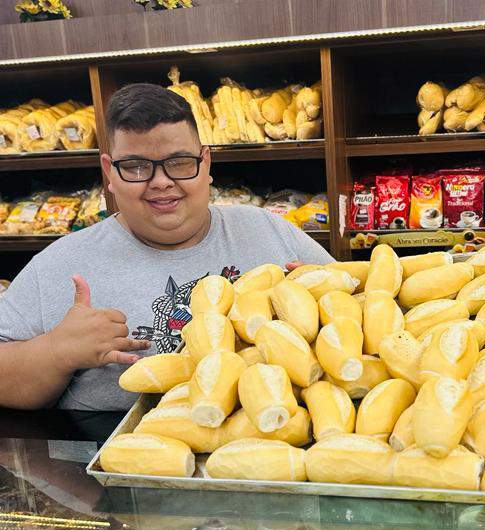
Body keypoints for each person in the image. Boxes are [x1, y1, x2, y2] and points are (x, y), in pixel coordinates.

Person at [0, 83, 333, 411]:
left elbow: (373, 314)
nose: (161, 182)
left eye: (179, 162)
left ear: (206, 164)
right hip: (109, 457)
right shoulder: (61, 265)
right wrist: (56, 351)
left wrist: (332, 301)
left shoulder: (268, 231)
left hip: (269, 449)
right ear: (109, 174)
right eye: (136, 167)